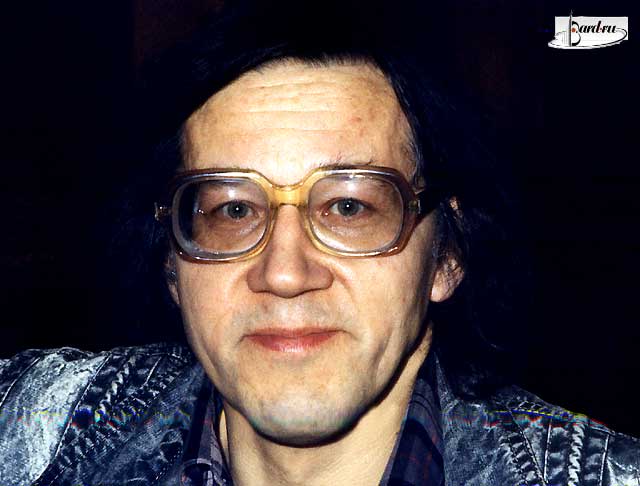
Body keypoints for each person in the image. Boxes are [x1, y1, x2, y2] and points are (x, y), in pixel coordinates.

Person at [1, 1, 638, 485]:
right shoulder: (39, 427)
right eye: (232, 210)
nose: (284, 272)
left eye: (349, 207)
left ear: (447, 255)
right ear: (172, 263)